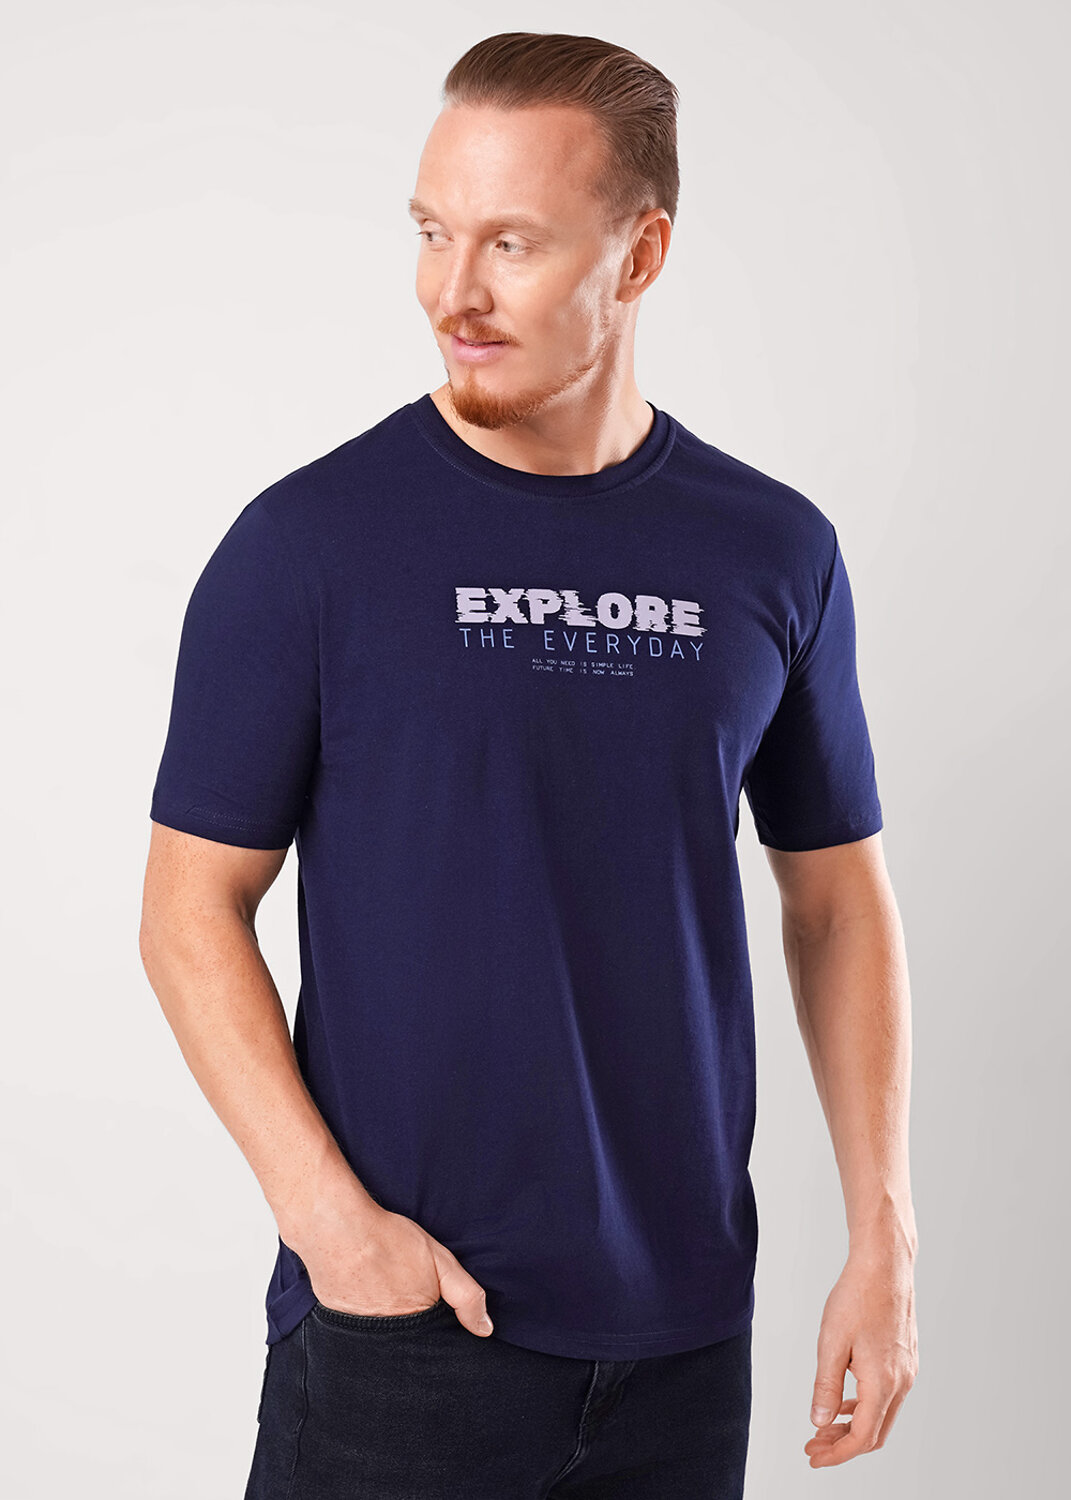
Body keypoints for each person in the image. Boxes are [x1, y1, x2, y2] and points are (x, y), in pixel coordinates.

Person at [139, 30, 918, 1499]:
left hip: (687, 1344)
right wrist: (334, 1232)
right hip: (406, 1329)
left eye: (511, 243)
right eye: (431, 232)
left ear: (641, 255)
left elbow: (835, 902)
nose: (453, 292)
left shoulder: (772, 550)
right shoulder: (310, 545)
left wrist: (886, 1237)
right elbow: (188, 909)